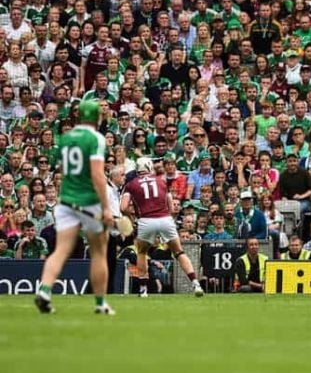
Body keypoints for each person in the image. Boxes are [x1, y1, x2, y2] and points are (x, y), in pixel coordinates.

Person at [35, 100, 115, 315]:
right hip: (89, 201)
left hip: (66, 200)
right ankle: (100, 304)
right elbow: (98, 174)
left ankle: (44, 290)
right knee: (99, 252)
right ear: (98, 117)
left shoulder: (65, 138)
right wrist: (106, 208)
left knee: (61, 250)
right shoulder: (96, 138)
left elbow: (65, 168)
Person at [121, 157, 204, 298]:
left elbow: (123, 207)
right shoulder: (161, 181)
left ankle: (143, 290)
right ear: (149, 167)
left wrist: (133, 219)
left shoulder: (131, 184)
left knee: (141, 253)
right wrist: (168, 219)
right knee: (179, 252)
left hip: (146, 220)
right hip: (165, 218)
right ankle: (195, 283)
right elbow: (171, 206)